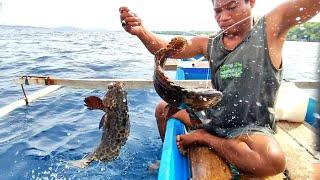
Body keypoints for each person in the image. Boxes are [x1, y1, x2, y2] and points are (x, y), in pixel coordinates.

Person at [119, 0, 320, 177]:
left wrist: (206, 137)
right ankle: (168, 159)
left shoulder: (269, 29)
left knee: (272, 160)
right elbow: (166, 49)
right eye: (218, 11)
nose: (223, 17)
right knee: (162, 110)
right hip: (213, 117)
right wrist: (141, 31)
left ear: (251, 1)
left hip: (249, 127)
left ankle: (205, 139)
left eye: (232, 7)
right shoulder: (209, 43)